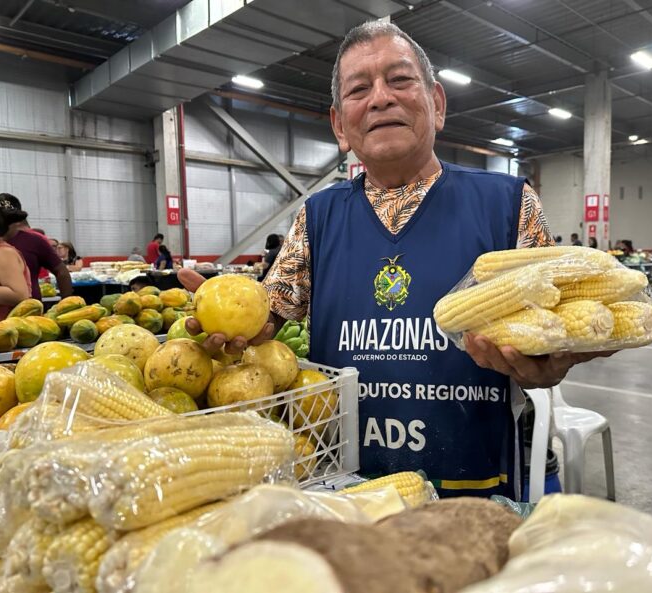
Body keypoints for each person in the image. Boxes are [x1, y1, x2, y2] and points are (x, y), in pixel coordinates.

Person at [180, 21, 607, 500]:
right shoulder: (317, 216)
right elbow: (267, 318)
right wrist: (228, 325)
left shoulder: (509, 205)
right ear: (340, 126)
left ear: (437, 104)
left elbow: (549, 331)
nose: (381, 98)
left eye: (400, 80)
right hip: (348, 485)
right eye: (359, 89)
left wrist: (547, 365)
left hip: (474, 483)